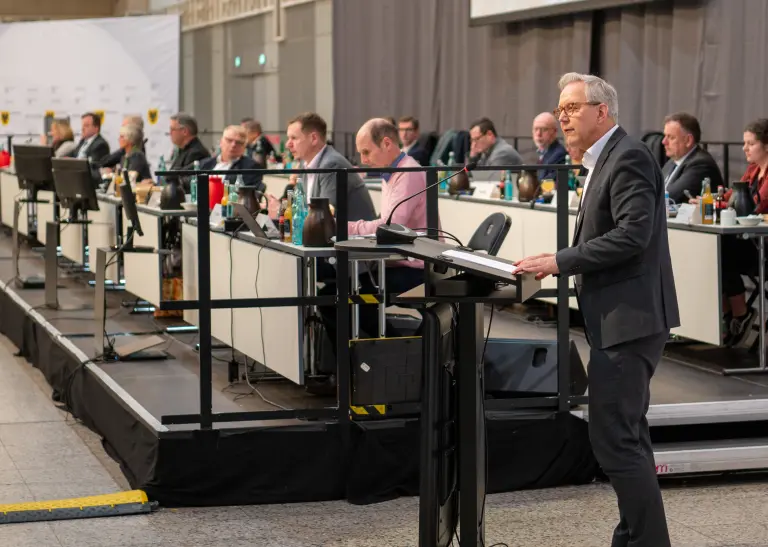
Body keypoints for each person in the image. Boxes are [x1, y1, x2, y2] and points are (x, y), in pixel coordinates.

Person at [516, 72, 680, 547]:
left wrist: (559, 261)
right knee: (624, 436)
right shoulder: (604, 158)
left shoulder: (627, 155)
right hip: (619, 319)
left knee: (616, 441)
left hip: (630, 321)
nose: (562, 117)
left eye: (571, 109)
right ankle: (635, 537)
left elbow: (633, 236)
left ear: (601, 112)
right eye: (560, 108)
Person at [285, 112, 376, 222]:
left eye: (294, 138)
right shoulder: (303, 165)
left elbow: (322, 217)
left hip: (355, 236)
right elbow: (301, 209)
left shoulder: (332, 164)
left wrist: (284, 211)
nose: (288, 144)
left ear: (314, 138)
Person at [661, 112, 723, 204]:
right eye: (665, 136)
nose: (663, 142)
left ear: (688, 140)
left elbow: (670, 197)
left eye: (671, 137)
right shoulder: (672, 162)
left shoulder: (700, 164)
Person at [199, 125, 264, 191]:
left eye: (239, 142)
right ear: (221, 142)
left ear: (244, 147)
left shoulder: (251, 167)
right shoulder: (205, 163)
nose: (233, 145)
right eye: (229, 140)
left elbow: (246, 194)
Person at [468, 117, 522, 181]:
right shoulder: (486, 151)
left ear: (489, 134)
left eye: (477, 139)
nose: (474, 144)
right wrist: (473, 157)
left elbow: (491, 181)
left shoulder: (503, 153)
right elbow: (473, 176)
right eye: (472, 140)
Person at [168, 112, 211, 191]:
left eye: (172, 129)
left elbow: (178, 179)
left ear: (184, 131)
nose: (170, 133)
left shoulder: (197, 152)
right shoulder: (182, 149)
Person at [532, 112, 567, 180]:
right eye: (536, 129)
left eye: (544, 129)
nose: (538, 134)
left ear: (554, 131)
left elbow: (544, 183)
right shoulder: (543, 153)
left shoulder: (559, 155)